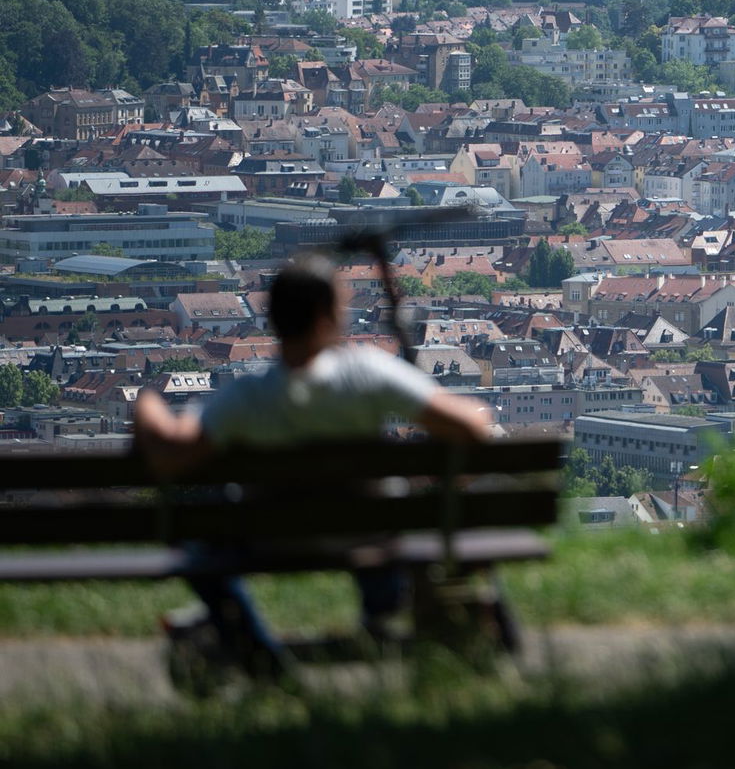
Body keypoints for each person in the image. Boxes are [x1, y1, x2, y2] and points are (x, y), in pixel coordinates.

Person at [133, 253, 492, 678]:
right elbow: (471, 426)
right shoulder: (366, 373)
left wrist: (147, 404)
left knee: (196, 545)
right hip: (366, 535)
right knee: (392, 510)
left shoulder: (248, 396)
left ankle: (259, 653)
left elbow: (175, 451)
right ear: (327, 317)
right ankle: (381, 614)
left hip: (271, 540)